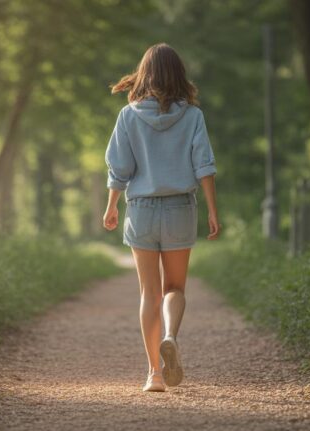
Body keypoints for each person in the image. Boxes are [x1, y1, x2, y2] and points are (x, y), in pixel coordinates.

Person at [102, 43, 220, 392]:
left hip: (141, 210)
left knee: (148, 293)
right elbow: (204, 166)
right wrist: (213, 210)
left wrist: (111, 206)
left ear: (144, 74)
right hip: (180, 208)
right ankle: (170, 335)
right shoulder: (194, 116)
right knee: (175, 288)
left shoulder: (128, 116)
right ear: (177, 74)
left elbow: (119, 168)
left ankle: (154, 373)